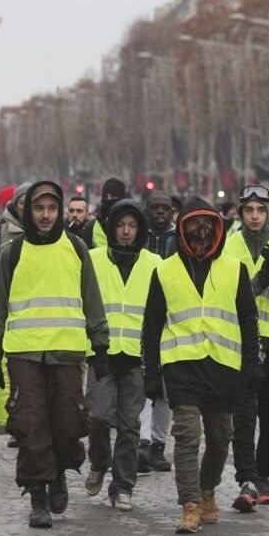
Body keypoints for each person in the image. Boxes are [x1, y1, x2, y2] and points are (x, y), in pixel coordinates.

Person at [0, 180, 108, 529]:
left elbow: (91, 298)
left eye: (52, 209)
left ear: (61, 211)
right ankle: (37, 493)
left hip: (68, 351)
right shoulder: (13, 251)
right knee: (31, 424)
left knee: (68, 421)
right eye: (39, 208)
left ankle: (59, 472)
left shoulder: (77, 247)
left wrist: (101, 344)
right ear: (28, 211)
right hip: (24, 354)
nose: (45, 215)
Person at [142, 197, 261, 534]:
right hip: (181, 366)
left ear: (217, 231)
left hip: (223, 365)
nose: (200, 236)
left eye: (206, 228)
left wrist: (253, 364)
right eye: (193, 229)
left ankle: (208, 490)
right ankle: (190, 504)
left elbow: (248, 320)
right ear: (181, 232)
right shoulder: (163, 271)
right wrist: (151, 372)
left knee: (221, 437)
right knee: (188, 437)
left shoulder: (235, 269)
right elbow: (151, 326)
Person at [222, 185, 269, 511]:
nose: (255, 216)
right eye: (249, 210)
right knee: (243, 416)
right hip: (241, 343)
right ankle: (246, 478)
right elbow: (227, 298)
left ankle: (264, 474)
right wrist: (258, 282)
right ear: (241, 213)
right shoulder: (227, 246)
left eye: (261, 210)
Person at [83, 199, 159, 512]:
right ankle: (99, 462)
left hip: (136, 358)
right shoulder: (92, 259)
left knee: (129, 425)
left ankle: (123, 485)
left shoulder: (155, 263)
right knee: (98, 417)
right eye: (120, 226)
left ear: (139, 230)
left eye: (132, 226)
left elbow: (159, 313)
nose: (126, 232)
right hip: (101, 354)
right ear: (111, 228)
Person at [139, 190, 178, 473]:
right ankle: (140, 442)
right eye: (155, 208)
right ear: (147, 211)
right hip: (138, 317)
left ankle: (158, 446)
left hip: (171, 319)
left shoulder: (179, 240)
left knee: (164, 391)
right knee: (142, 385)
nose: (161, 213)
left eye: (166, 208)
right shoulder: (137, 237)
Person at [80, 178, 127, 249]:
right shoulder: (91, 227)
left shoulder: (130, 226)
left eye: (113, 196)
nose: (109, 200)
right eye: (106, 197)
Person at [0, 182, 30, 255]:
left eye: (30, 202)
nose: (26, 207)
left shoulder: (46, 230)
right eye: (22, 203)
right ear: (15, 206)